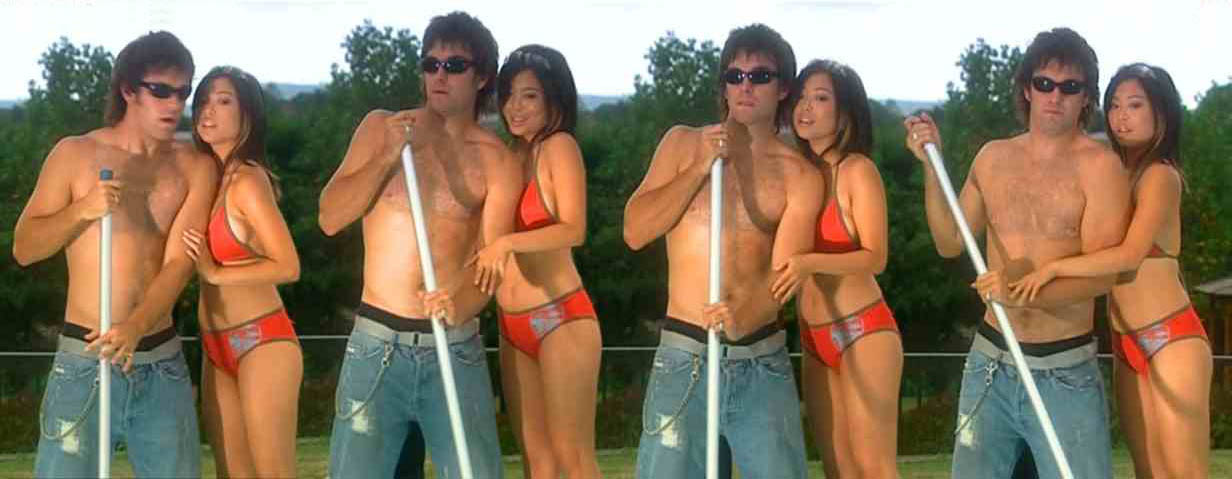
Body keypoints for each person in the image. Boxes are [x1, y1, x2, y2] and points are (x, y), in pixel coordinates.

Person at [904, 27, 1130, 479]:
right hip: (990, 363)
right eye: (1044, 83)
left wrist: (1020, 293)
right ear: (1027, 88)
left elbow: (1102, 276)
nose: (1055, 96)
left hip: (1064, 373)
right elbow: (950, 240)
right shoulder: (992, 157)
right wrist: (932, 167)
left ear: (1086, 97)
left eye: (1070, 87)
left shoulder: (1101, 168)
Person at [318, 11, 521, 479]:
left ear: (482, 76)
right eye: (430, 64)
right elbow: (330, 217)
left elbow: (491, 266)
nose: (439, 76)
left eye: (454, 66)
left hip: (453, 345)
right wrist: (386, 157)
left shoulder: (497, 161)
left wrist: (459, 304)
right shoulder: (381, 128)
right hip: (375, 344)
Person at [624, 23, 821, 479]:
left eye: (760, 76)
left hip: (759, 363)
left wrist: (743, 315)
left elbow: (784, 277)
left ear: (783, 88)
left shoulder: (799, 175)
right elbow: (635, 231)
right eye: (735, 76)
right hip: (683, 357)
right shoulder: (681, 143)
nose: (745, 86)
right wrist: (700, 167)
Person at [14, 30, 215, 477]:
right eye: (160, 90)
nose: (173, 103)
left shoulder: (195, 166)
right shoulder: (74, 154)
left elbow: (180, 262)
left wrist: (135, 326)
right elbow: (25, 248)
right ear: (128, 90)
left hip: (160, 364)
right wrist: (83, 209)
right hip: (84, 363)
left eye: (182, 92)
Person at [1010, 62, 1212, 478]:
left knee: (1183, 472)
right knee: (1147, 470)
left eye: (1135, 105)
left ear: (1161, 113)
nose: (1122, 116)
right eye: (1115, 105)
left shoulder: (1160, 175)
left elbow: (1130, 255)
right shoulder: (1115, 171)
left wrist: (1055, 268)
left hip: (1171, 338)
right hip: (1126, 343)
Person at [476, 44, 601, 479]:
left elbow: (573, 229)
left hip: (559, 318)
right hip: (511, 326)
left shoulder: (559, 147)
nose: (514, 106)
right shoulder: (510, 155)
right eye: (508, 95)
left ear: (554, 98)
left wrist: (506, 244)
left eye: (529, 95)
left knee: (573, 459)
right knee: (537, 463)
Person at [776, 59, 901, 479]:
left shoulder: (858, 171)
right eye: (801, 98)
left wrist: (809, 262)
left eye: (820, 98)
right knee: (836, 468)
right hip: (813, 337)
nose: (805, 107)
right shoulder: (797, 172)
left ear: (845, 112)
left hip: (862, 330)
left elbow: (875, 257)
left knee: (873, 468)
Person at [180, 65, 303, 478]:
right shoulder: (208, 180)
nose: (208, 110)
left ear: (247, 115)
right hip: (215, 347)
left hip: (261, 341)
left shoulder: (247, 181)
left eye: (223, 101)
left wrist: (215, 273)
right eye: (203, 101)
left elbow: (288, 265)